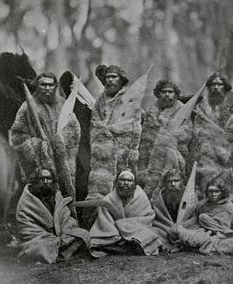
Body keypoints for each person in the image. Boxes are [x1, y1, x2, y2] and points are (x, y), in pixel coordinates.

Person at [10, 73, 81, 210]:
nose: (47, 88)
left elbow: (74, 129)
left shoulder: (63, 105)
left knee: (66, 199)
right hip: (40, 165)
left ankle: (68, 221)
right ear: (37, 86)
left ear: (55, 86)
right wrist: (37, 146)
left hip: (63, 161)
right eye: (43, 85)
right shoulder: (27, 107)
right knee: (43, 199)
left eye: (50, 85)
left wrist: (59, 141)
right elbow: (17, 135)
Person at [87, 65, 143, 198]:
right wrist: (100, 134)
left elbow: (133, 127)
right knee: (98, 186)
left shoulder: (130, 99)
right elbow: (95, 123)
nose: (110, 80)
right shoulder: (100, 100)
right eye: (107, 77)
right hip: (100, 154)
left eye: (114, 77)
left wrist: (109, 131)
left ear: (121, 79)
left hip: (122, 152)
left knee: (122, 187)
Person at [15, 167, 89, 264]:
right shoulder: (27, 199)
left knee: (83, 234)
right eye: (42, 179)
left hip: (59, 237)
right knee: (39, 246)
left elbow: (66, 217)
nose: (46, 182)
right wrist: (50, 237)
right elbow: (26, 226)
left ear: (53, 180)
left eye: (49, 178)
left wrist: (64, 232)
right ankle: (63, 253)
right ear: (36, 181)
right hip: (40, 238)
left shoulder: (56, 196)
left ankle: (59, 252)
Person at [191, 73, 233, 201]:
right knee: (205, 191)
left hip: (226, 159)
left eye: (219, 84)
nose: (216, 87)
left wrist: (215, 134)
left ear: (225, 87)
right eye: (213, 84)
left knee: (227, 191)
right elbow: (197, 131)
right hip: (206, 159)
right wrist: (219, 133)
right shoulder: (201, 109)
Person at [89, 169, 163, 258]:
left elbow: (147, 219)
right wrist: (117, 235)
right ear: (116, 182)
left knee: (152, 233)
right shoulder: (108, 200)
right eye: (123, 180)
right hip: (115, 236)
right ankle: (126, 248)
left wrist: (123, 225)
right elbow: (105, 222)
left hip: (136, 233)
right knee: (97, 242)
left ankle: (127, 247)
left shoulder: (141, 198)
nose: (126, 183)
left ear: (135, 185)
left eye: (130, 180)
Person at [138, 80, 192, 198]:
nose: (167, 94)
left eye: (170, 92)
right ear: (158, 94)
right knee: (149, 185)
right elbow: (145, 137)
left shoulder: (183, 110)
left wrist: (166, 136)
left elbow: (187, 132)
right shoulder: (151, 109)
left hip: (174, 155)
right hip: (150, 157)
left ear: (175, 94)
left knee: (171, 185)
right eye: (163, 92)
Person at [173, 176, 233, 255]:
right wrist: (182, 225)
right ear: (207, 192)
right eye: (211, 191)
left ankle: (201, 245)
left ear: (222, 192)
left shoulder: (228, 205)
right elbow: (195, 219)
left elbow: (222, 227)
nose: (213, 194)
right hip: (202, 232)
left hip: (222, 235)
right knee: (186, 234)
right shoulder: (203, 204)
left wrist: (204, 219)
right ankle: (207, 246)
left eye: (216, 191)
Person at [151, 169, 198, 252]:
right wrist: (170, 227)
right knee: (153, 232)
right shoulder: (161, 197)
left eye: (176, 181)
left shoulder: (191, 195)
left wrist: (183, 225)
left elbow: (195, 217)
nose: (173, 184)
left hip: (186, 228)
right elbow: (158, 217)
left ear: (182, 181)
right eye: (170, 181)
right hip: (165, 229)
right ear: (165, 183)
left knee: (197, 233)